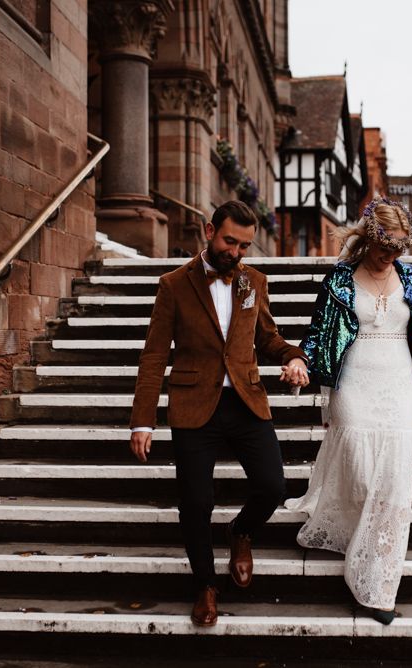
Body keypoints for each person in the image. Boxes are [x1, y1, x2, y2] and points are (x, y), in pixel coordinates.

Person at [283, 196, 412, 625]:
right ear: (368, 240)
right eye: (384, 247)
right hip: (354, 380)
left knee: (390, 482)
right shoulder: (340, 279)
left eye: (398, 249)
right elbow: (317, 332)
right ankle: (357, 531)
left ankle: (375, 582)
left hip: (397, 382)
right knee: (361, 468)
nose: (391, 256)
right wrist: (300, 361)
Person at [129, 200, 307, 627]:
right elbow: (154, 355)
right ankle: (205, 585)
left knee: (272, 486)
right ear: (209, 231)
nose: (237, 253)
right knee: (196, 502)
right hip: (195, 405)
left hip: (245, 400)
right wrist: (143, 419)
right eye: (230, 241)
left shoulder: (253, 282)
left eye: (245, 245)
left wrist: (295, 358)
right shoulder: (174, 284)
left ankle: (241, 532)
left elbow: (268, 338)